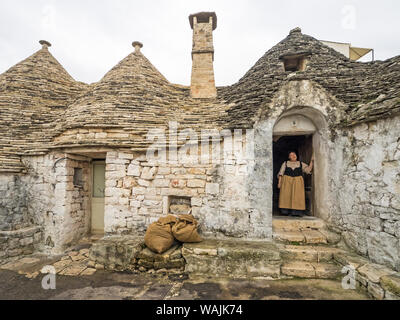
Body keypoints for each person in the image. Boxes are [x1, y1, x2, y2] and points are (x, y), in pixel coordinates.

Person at [277, 151, 314, 217]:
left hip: (298, 181)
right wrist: (279, 183)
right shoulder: (285, 163)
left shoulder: (301, 163)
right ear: (289, 157)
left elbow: (308, 170)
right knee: (286, 195)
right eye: (291, 155)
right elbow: (281, 173)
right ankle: (285, 211)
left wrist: (312, 161)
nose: (293, 156)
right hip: (287, 181)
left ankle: (296, 212)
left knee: (297, 196)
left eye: (294, 154)